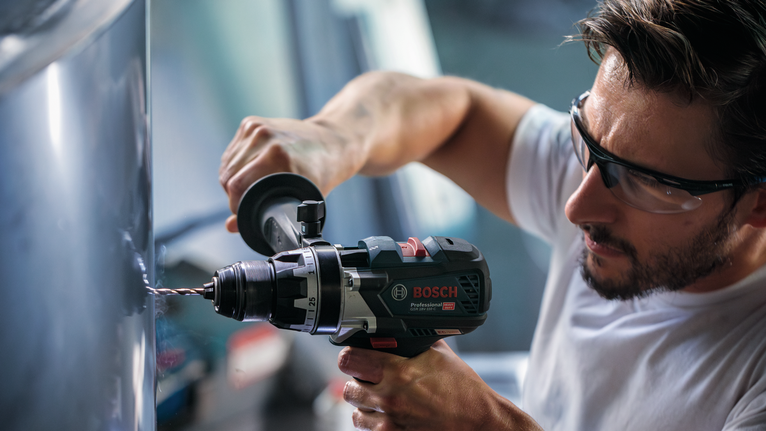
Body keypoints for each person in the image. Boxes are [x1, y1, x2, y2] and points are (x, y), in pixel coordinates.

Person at [218, 0, 766, 429]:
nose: (576, 206)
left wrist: (487, 424)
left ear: (758, 202)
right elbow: (453, 115)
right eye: (586, 138)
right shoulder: (607, 164)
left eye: (648, 183)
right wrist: (331, 138)